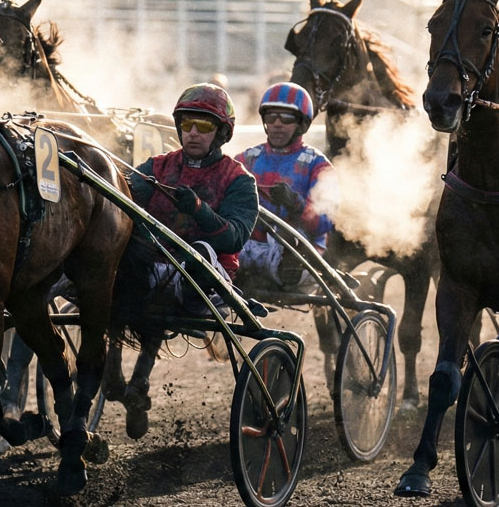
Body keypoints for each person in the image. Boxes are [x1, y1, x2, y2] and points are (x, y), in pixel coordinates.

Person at [108, 82, 259, 439]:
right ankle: (125, 381)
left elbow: (233, 237)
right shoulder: (156, 167)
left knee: (196, 256)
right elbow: (122, 198)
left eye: (204, 126)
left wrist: (198, 210)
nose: (193, 133)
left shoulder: (239, 180)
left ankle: (138, 380)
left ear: (221, 132)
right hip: (154, 267)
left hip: (205, 275)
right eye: (188, 124)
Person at [234, 82, 337, 287]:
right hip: (247, 248)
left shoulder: (319, 166)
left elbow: (326, 222)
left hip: (296, 253)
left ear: (302, 123)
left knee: (290, 241)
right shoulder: (245, 160)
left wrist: (295, 204)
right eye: (271, 117)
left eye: (287, 118)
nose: (277, 124)